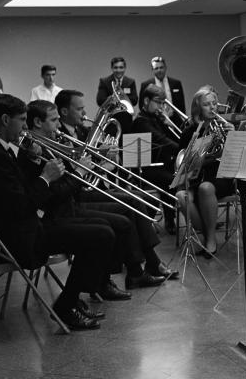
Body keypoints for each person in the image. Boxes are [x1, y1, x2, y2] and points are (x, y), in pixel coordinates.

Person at [0, 94, 114, 331]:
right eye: (22, 120)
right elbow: (21, 206)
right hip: (22, 238)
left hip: (28, 227)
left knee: (104, 230)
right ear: (6, 120)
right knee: (101, 235)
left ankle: (73, 299)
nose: (25, 127)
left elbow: (22, 195)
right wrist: (45, 177)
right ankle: (67, 305)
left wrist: (37, 165)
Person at [21, 101, 174, 288]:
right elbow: (58, 191)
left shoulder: (54, 141)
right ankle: (121, 275)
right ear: (38, 122)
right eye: (54, 120)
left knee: (132, 204)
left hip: (72, 198)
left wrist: (97, 161)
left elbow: (68, 177)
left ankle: (140, 267)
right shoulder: (33, 151)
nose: (59, 125)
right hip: (67, 206)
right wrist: (84, 171)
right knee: (122, 216)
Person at [175, 86, 236, 257]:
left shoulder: (225, 127)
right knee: (181, 197)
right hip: (196, 176)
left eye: (214, 104)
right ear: (198, 108)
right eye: (207, 104)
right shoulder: (189, 131)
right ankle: (208, 234)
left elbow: (234, 155)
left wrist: (233, 136)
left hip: (220, 175)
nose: (212, 108)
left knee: (206, 188)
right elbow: (182, 159)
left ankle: (209, 241)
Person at [131, 84, 180, 233]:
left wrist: (169, 124)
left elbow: (171, 138)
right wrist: (181, 149)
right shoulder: (141, 120)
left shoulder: (156, 118)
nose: (161, 107)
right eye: (158, 102)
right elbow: (162, 141)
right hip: (146, 168)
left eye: (162, 103)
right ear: (146, 101)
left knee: (181, 176)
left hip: (161, 164)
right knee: (172, 180)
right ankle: (171, 220)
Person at [96, 56, 137, 133]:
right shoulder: (104, 81)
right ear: (112, 68)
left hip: (126, 119)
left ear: (125, 68)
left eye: (121, 67)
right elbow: (100, 100)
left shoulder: (130, 82)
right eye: (116, 67)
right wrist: (114, 98)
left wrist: (123, 95)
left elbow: (135, 100)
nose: (118, 70)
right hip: (110, 119)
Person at [140, 56, 185, 125]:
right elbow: (142, 104)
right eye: (156, 68)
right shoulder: (146, 84)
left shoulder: (176, 83)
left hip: (174, 119)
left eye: (161, 67)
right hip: (156, 120)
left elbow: (181, 104)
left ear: (165, 68)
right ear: (152, 70)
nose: (159, 70)